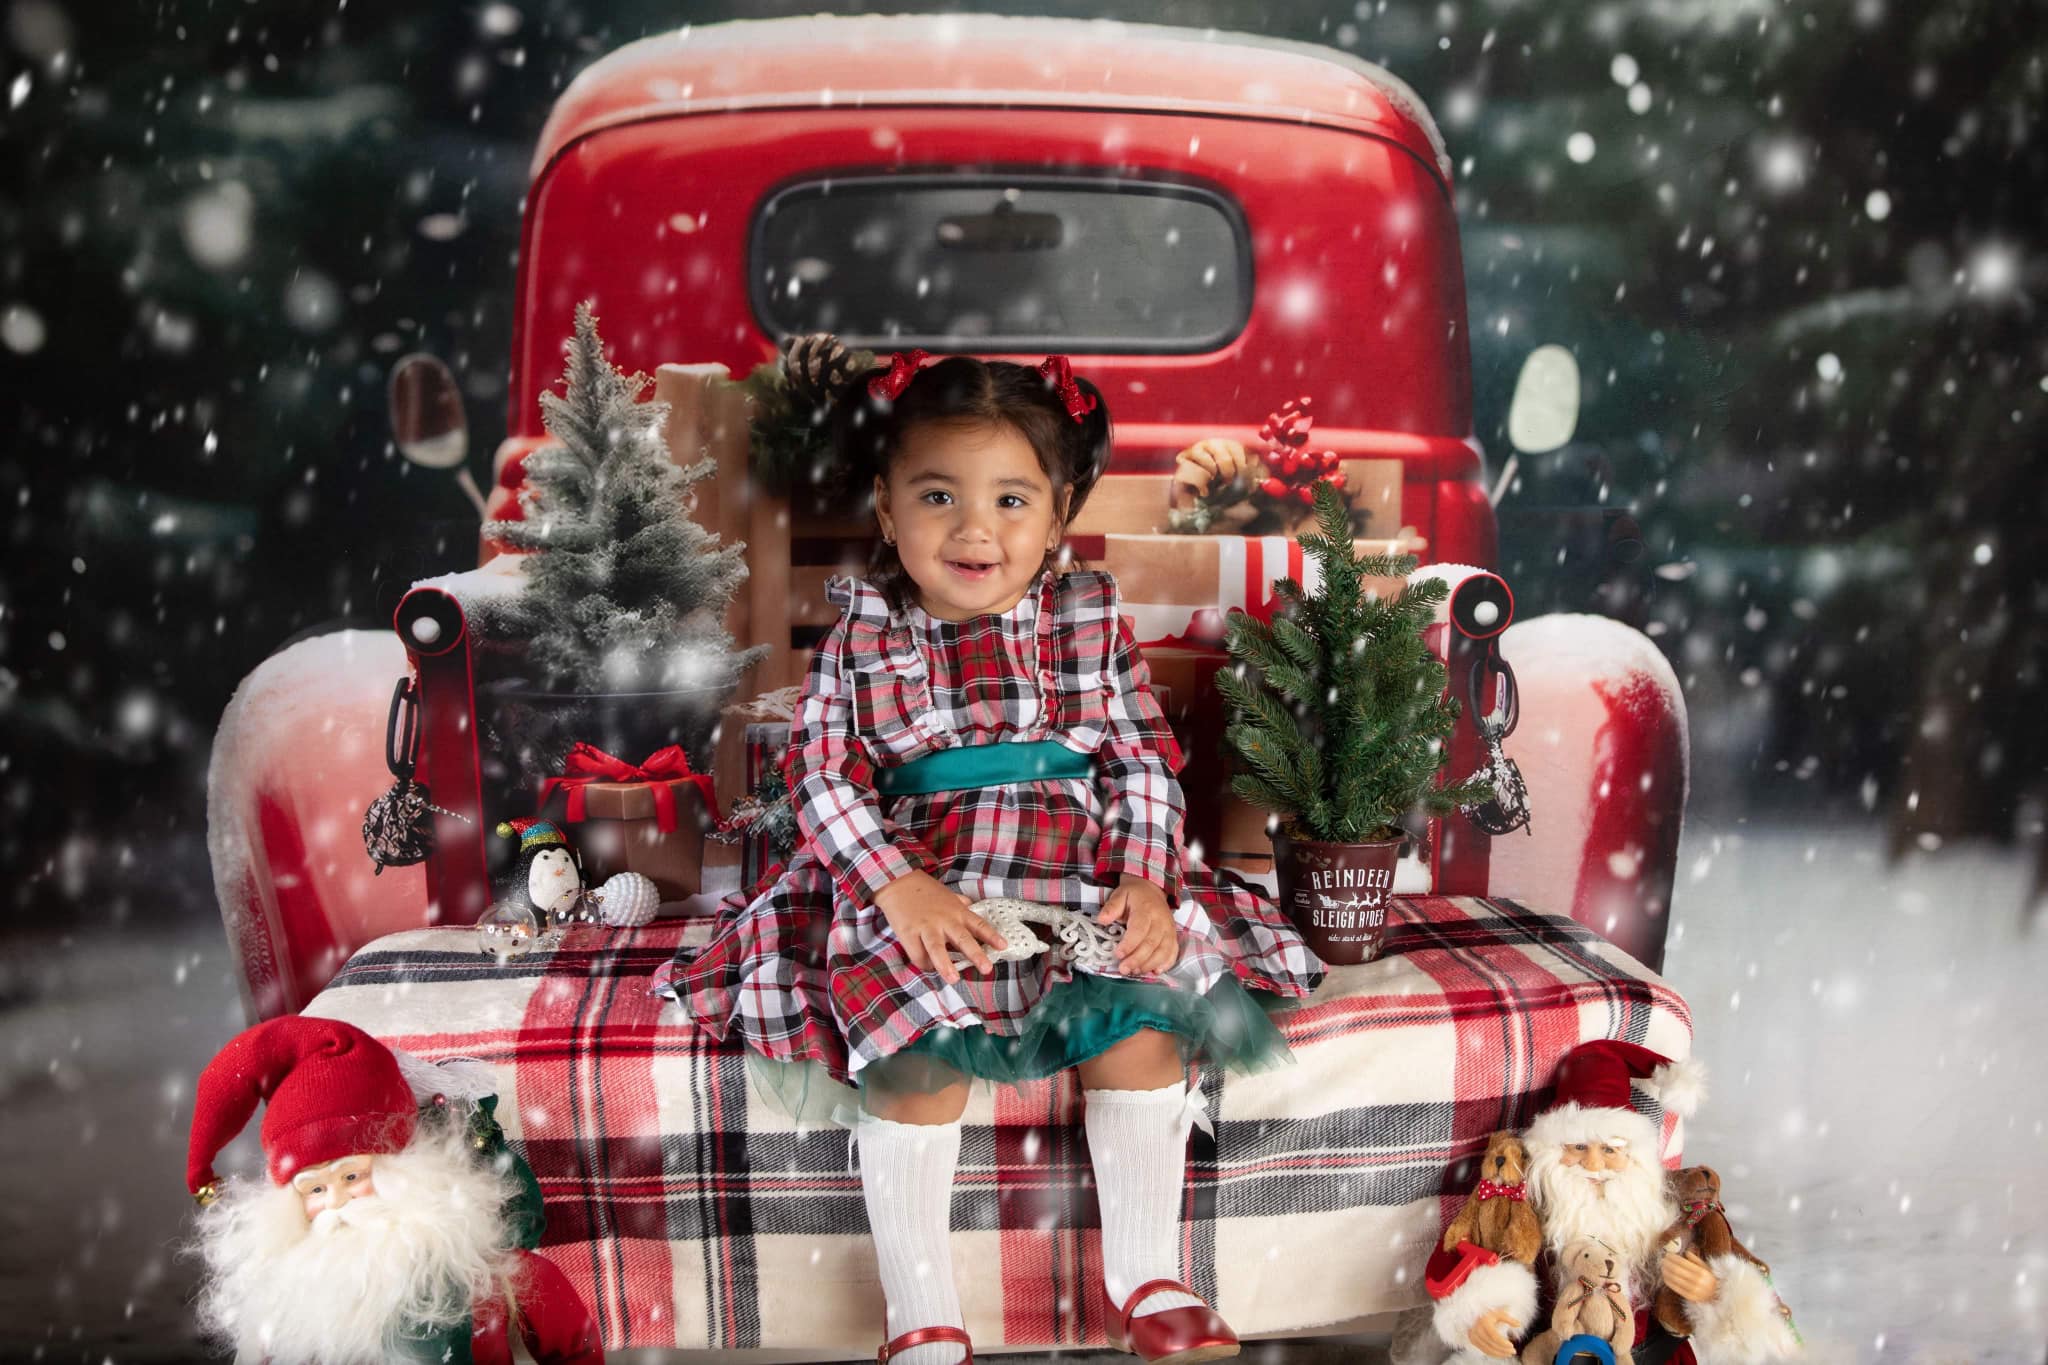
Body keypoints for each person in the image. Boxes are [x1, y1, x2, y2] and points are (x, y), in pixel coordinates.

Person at [653, 350, 1326, 1363]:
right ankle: (921, 1312)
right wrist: (897, 885)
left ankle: (1145, 1274)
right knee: (913, 1044)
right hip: (929, 874)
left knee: (1138, 1021)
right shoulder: (863, 635)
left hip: (1080, 870)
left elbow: (1142, 753)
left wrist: (1145, 878)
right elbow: (821, 778)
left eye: (1010, 499)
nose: (974, 529)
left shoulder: (1088, 621)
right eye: (937, 496)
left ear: (1056, 516)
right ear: (886, 509)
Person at [185, 1015, 604, 1364]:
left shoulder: (491, 1274)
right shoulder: (282, 1297)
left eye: (351, 1177)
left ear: (404, 1175)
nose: (336, 1203)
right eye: (313, 1190)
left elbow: (575, 1348)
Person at [1411, 1041, 1798, 1365]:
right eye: (1578, 1148)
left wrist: (1716, 1292)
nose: (1595, 1167)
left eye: (1611, 1150)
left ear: (1638, 1157)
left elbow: (1753, 1292)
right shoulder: (1524, 1207)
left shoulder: (1672, 1210)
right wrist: (1481, 1316)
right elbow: (1465, 1259)